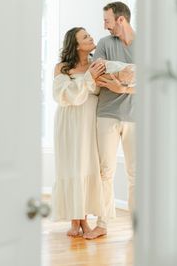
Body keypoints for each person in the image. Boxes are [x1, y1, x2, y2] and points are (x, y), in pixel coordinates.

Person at [83, 1, 136, 240]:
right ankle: (102, 223)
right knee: (106, 172)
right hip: (106, 114)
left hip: (136, 117)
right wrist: (129, 73)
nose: (104, 26)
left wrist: (123, 86)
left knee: (136, 174)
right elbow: (99, 76)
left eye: (107, 20)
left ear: (121, 20)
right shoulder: (105, 44)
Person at [51, 26, 106, 237]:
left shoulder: (96, 65)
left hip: (88, 121)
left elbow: (100, 91)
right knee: (70, 166)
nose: (91, 37)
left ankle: (83, 219)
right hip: (68, 121)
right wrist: (88, 79)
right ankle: (76, 221)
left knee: (85, 164)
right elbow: (64, 95)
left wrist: (90, 77)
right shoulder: (62, 67)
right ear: (75, 45)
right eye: (85, 36)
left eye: (89, 34)